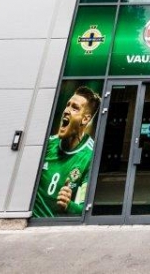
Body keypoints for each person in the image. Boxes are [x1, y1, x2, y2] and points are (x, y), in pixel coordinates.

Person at [33, 86, 101, 218]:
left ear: (85, 119)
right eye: (67, 105)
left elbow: (85, 209)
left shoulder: (90, 156)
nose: (66, 111)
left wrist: (69, 205)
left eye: (74, 108)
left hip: (53, 227)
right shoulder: (47, 145)